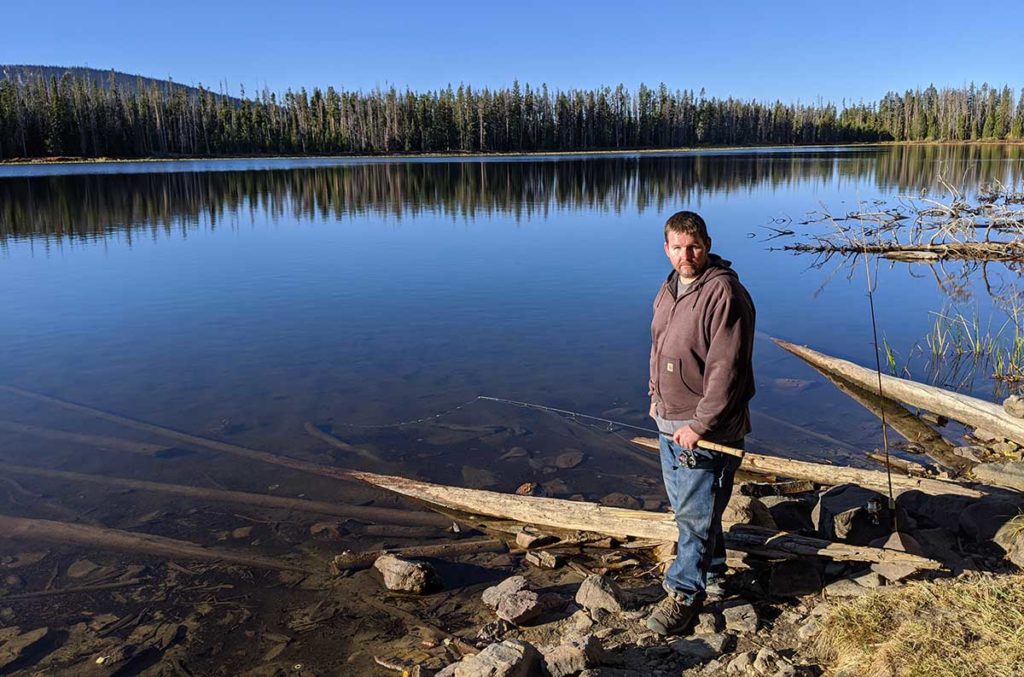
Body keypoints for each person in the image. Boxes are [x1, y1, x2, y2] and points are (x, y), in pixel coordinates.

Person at [645, 210, 756, 636]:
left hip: (704, 431)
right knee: (692, 510)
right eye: (677, 247)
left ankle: (683, 596)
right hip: (668, 420)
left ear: (707, 244)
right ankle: (712, 574)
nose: (685, 255)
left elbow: (727, 371)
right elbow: (659, 344)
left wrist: (701, 426)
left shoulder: (723, 293)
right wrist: (654, 394)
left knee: (694, 515)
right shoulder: (671, 287)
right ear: (667, 249)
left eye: (693, 246)